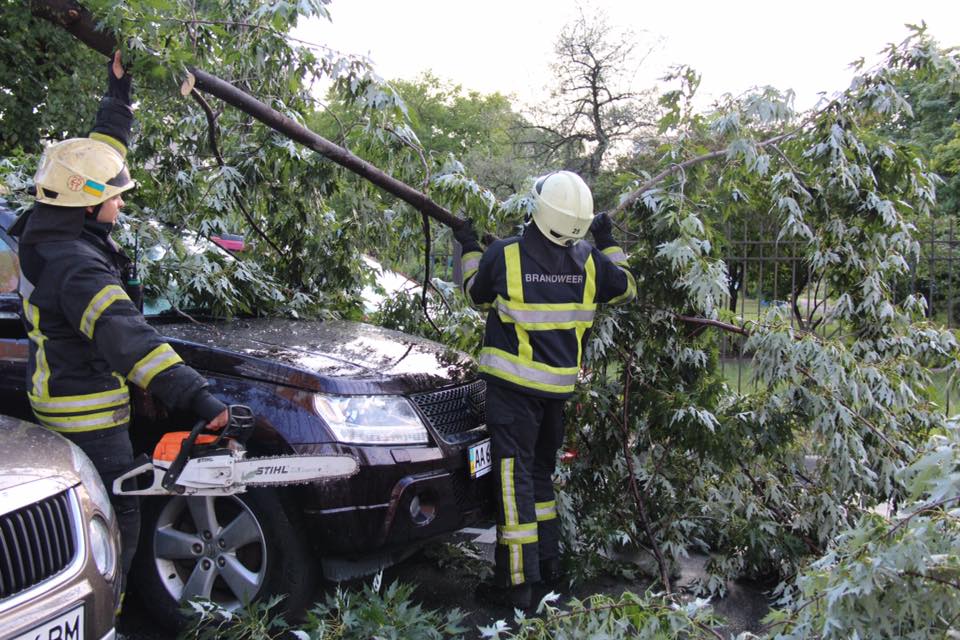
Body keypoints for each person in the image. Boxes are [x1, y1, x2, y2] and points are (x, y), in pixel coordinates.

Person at [9, 52, 228, 595]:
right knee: (115, 517)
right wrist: (197, 396)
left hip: (57, 390)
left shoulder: (50, 226)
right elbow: (127, 337)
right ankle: (112, 612)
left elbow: (100, 153)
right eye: (115, 197)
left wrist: (119, 88)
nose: (122, 203)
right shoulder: (75, 267)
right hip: (85, 413)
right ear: (88, 204)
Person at [455, 170, 636, 609]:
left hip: (513, 393)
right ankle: (549, 568)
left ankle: (515, 584)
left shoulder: (505, 255)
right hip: (557, 395)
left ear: (539, 209)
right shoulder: (592, 261)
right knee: (538, 479)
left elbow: (473, 292)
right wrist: (608, 237)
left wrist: (469, 245)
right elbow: (627, 284)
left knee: (512, 482)